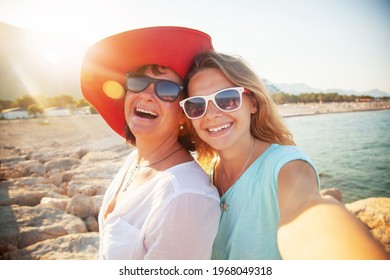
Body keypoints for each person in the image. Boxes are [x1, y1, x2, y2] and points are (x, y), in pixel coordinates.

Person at [180, 51, 389, 259]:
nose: (211, 114)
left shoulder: (286, 166)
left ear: (253, 103)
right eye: (197, 105)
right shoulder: (203, 173)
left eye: (226, 99)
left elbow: (307, 214)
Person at [80, 27, 221, 260]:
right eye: (138, 81)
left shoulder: (186, 196)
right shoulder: (134, 160)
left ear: (185, 113)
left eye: (166, 89)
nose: (146, 94)